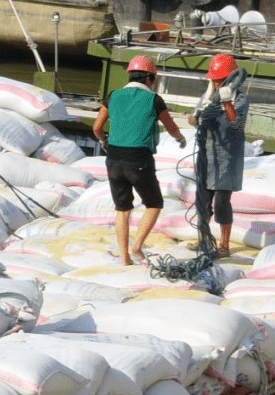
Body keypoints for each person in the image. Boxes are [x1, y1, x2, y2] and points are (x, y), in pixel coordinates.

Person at [92, 55, 186, 265]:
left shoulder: (113, 96)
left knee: (123, 209)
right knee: (154, 204)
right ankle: (137, 246)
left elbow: (97, 128)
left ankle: (125, 257)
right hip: (139, 159)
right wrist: (180, 139)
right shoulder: (154, 99)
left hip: (114, 157)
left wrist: (104, 141)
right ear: (151, 78)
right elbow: (171, 127)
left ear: (129, 75)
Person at [188, 53, 249, 258]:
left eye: (219, 80)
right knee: (202, 200)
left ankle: (224, 245)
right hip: (207, 155)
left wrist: (225, 102)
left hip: (227, 158)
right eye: (213, 80)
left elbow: (236, 123)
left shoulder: (241, 99)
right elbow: (193, 119)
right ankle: (203, 239)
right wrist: (197, 116)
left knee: (222, 202)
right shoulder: (205, 99)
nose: (215, 83)